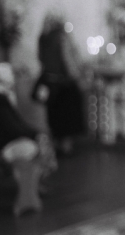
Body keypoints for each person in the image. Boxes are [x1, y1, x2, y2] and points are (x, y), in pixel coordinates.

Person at [0, 63, 57, 215]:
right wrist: (36, 135)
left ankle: (34, 186)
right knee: (38, 145)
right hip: (1, 145)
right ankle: (31, 192)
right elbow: (13, 128)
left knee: (40, 140)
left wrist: (34, 133)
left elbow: (16, 125)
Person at [33, 11, 86, 155]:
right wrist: (78, 77)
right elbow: (68, 61)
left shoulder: (43, 38)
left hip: (50, 83)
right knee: (68, 117)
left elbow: (40, 58)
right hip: (64, 84)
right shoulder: (62, 37)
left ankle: (56, 144)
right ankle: (66, 147)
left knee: (54, 116)